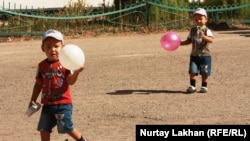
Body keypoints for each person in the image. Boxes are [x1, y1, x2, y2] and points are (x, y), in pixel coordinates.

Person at [27, 29, 87, 141]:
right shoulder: (41, 66)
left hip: (63, 104)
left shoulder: (66, 64)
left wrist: (77, 72)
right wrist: (33, 99)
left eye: (56, 46)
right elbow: (38, 83)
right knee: (43, 128)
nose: (52, 50)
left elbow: (70, 82)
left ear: (62, 47)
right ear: (42, 48)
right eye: (48, 46)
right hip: (47, 105)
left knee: (66, 126)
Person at [181, 8, 214, 93]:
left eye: (200, 19)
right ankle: (192, 86)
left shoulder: (207, 30)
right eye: (196, 19)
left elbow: (211, 40)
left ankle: (204, 86)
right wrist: (180, 43)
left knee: (204, 72)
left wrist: (204, 37)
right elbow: (189, 40)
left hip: (205, 55)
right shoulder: (192, 30)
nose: (198, 21)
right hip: (194, 55)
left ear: (206, 19)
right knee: (192, 71)